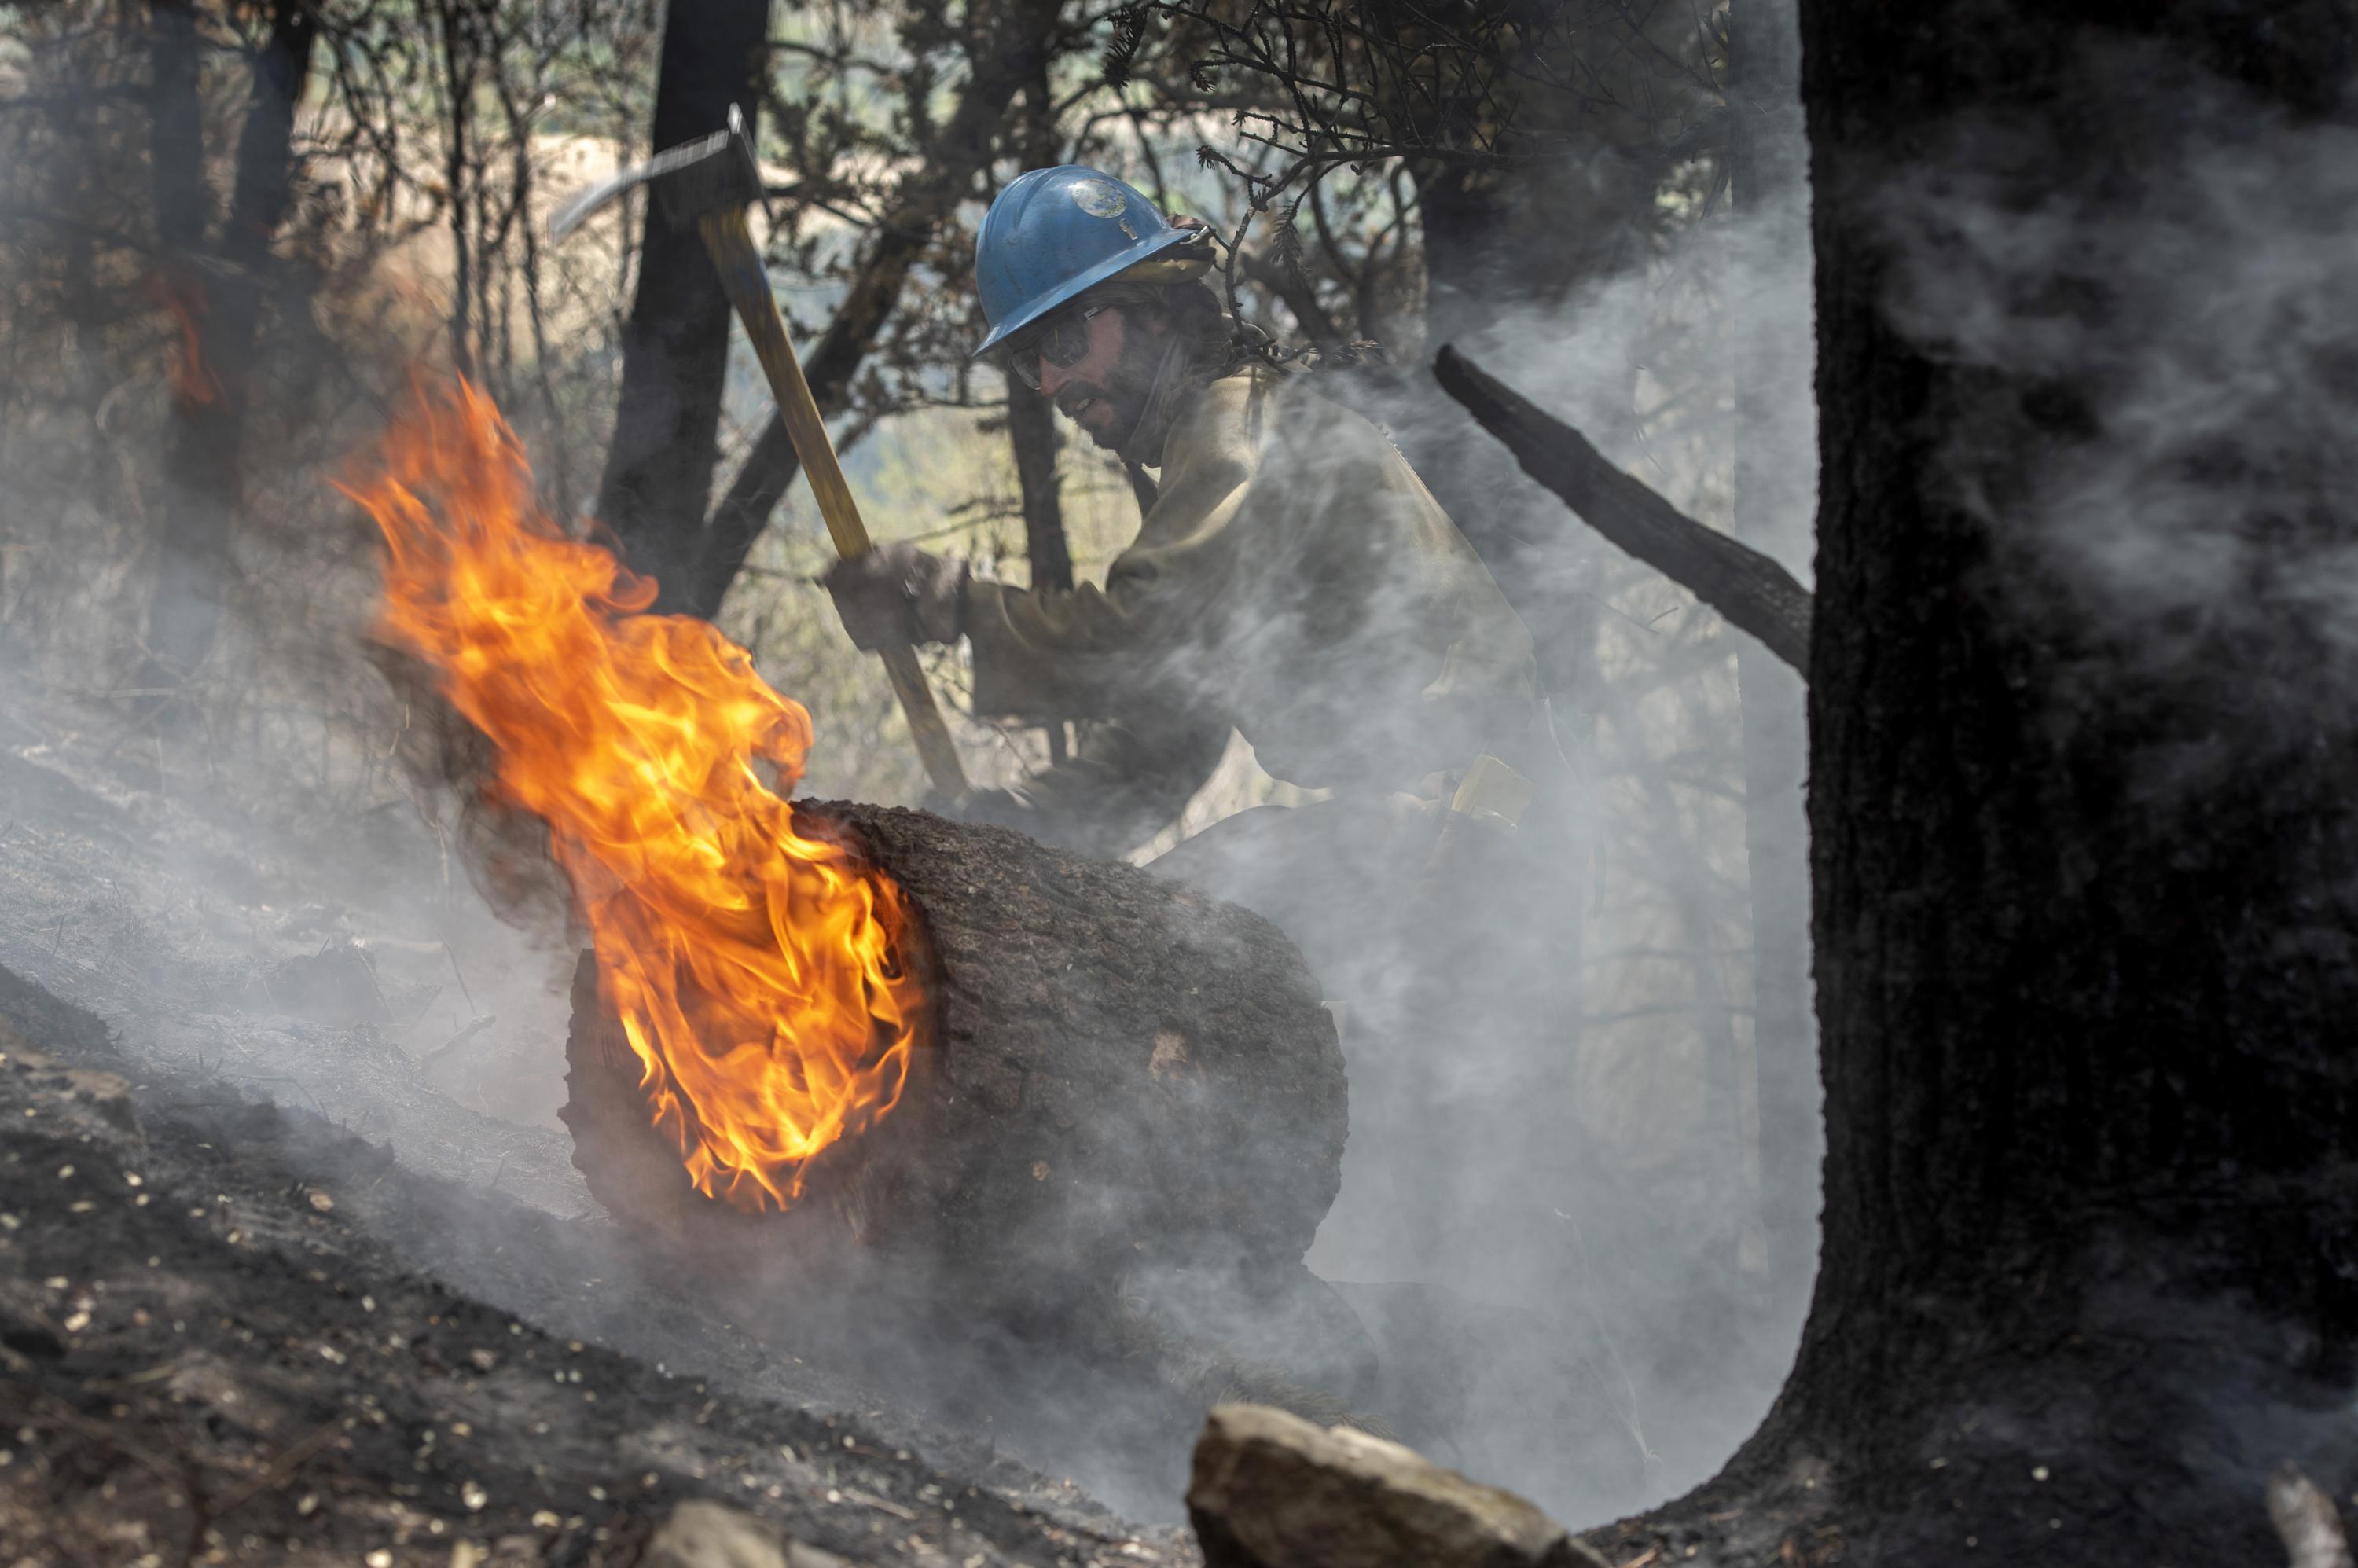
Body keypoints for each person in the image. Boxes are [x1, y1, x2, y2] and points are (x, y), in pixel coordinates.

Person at [823, 166, 1569, 993]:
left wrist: (957, 605)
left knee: (1155, 957)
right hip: (1431, 820)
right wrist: (1015, 829)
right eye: (1032, 358)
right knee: (1161, 938)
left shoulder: (1236, 436)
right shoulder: (1209, 446)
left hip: (1471, 824)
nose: (1049, 383)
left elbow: (1143, 642)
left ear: (1150, 309)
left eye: (1064, 343)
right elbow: (1167, 733)